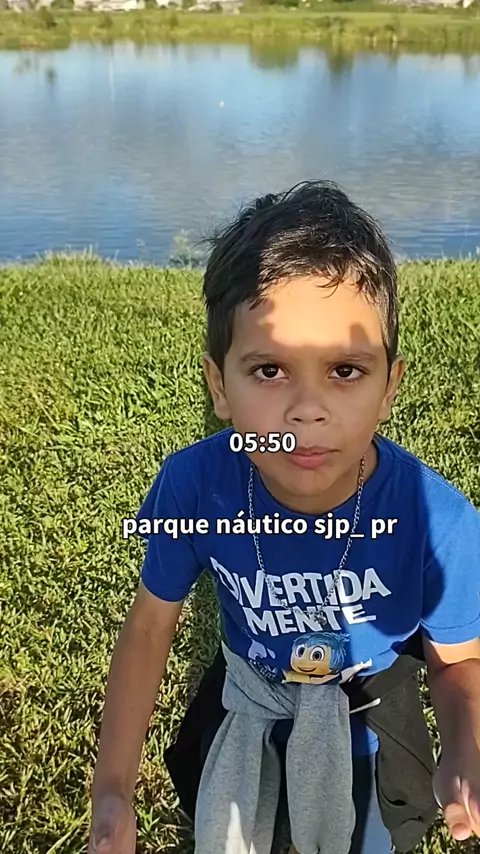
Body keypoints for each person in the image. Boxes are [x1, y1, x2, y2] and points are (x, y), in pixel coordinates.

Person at [87, 180, 480, 854]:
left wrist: (465, 747)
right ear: (220, 386)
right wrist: (114, 787)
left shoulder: (437, 520)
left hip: (368, 716)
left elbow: (457, 663)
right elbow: (151, 628)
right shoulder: (195, 487)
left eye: (345, 370)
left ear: (389, 387)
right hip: (250, 698)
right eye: (269, 370)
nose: (307, 409)